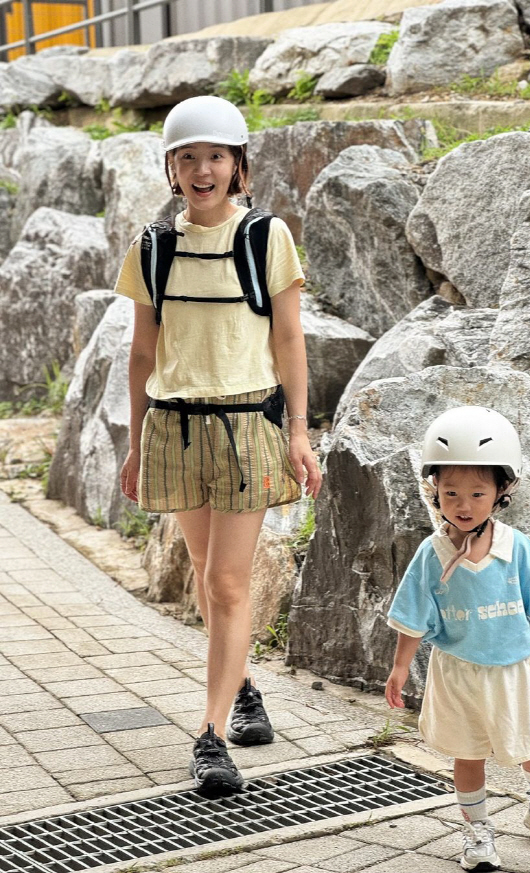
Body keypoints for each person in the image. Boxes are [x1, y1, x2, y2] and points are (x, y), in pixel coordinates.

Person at [116, 95, 322, 799]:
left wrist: (299, 430)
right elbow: (142, 353)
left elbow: (289, 340)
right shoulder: (152, 247)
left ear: (239, 166)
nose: (203, 169)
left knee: (230, 583)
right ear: (171, 168)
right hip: (172, 428)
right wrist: (136, 442)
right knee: (208, 575)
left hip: (247, 428)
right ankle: (245, 687)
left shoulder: (268, 238)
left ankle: (209, 735)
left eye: (216, 156)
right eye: (188, 157)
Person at [385, 406, 530, 871]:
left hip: (514, 669)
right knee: (467, 751)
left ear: (502, 492)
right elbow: (414, 616)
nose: (463, 503)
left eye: (478, 492)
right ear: (434, 491)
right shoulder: (430, 553)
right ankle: (477, 830)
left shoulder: (515, 547)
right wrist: (400, 667)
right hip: (457, 671)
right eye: (450, 491)